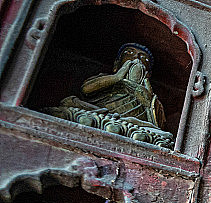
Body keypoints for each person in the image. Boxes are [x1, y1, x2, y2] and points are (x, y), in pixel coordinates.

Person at [44, 43, 173, 147]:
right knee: (70, 103)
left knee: (163, 137)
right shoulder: (109, 79)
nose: (137, 59)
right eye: (130, 53)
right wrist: (116, 77)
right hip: (99, 114)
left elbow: (158, 124)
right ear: (117, 64)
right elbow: (86, 90)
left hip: (131, 126)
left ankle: (115, 125)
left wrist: (147, 95)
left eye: (143, 58)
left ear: (148, 74)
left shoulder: (150, 95)